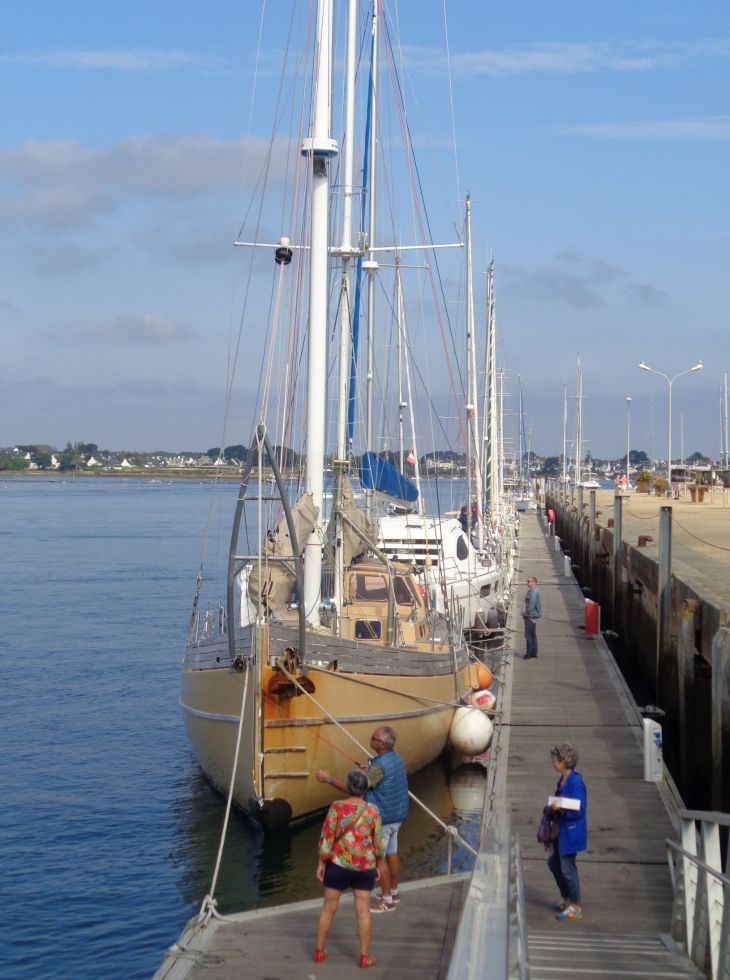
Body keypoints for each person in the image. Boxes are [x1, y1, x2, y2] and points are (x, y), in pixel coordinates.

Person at [317, 725, 409, 913]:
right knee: (392, 854)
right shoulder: (394, 758)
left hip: (383, 819)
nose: (370, 739)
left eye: (373, 738)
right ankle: (394, 892)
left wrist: (328, 779)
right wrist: (370, 769)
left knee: (380, 860)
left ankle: (386, 900)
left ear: (383, 744)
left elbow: (353, 789)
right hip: (397, 817)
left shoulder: (379, 766)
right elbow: (380, 774)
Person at [314, 769, 383, 968]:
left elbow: (326, 839)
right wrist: (378, 864)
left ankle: (319, 951)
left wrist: (321, 862)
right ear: (365, 788)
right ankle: (364, 956)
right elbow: (378, 843)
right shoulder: (372, 810)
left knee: (328, 908)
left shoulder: (336, 807)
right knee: (363, 912)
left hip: (337, 865)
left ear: (348, 786)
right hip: (364, 867)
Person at [547, 743, 587, 921]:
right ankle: (567, 899)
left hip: (571, 832)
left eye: (555, 760)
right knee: (554, 863)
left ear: (563, 762)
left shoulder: (576, 782)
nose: (553, 763)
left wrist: (561, 809)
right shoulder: (563, 779)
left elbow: (580, 810)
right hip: (560, 829)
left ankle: (576, 906)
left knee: (567, 867)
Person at [522, 575, 542, 659]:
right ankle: (534, 652)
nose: (527, 583)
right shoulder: (532, 591)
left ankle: (529, 653)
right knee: (533, 634)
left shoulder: (533, 592)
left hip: (530, 616)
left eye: (529, 581)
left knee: (528, 635)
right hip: (532, 615)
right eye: (527, 581)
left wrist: (527, 613)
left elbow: (531, 605)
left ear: (534, 582)